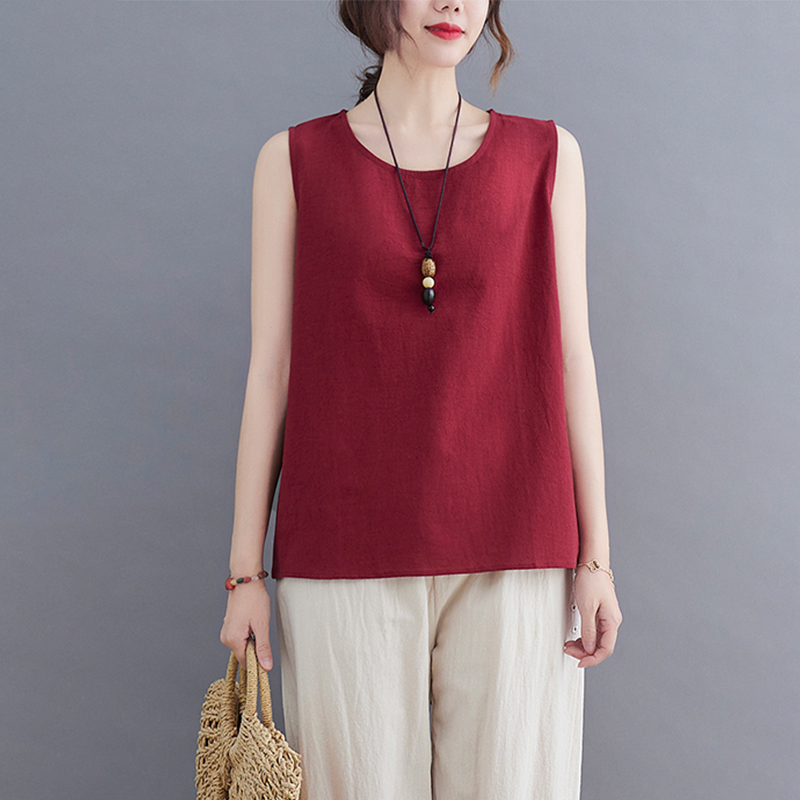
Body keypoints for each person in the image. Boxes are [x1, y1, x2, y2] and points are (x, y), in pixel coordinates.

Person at [220, 0, 623, 797]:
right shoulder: (293, 161)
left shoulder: (547, 156)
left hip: (517, 544)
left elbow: (574, 359)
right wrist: (244, 576)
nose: (452, 4)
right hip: (342, 550)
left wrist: (596, 558)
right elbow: (271, 370)